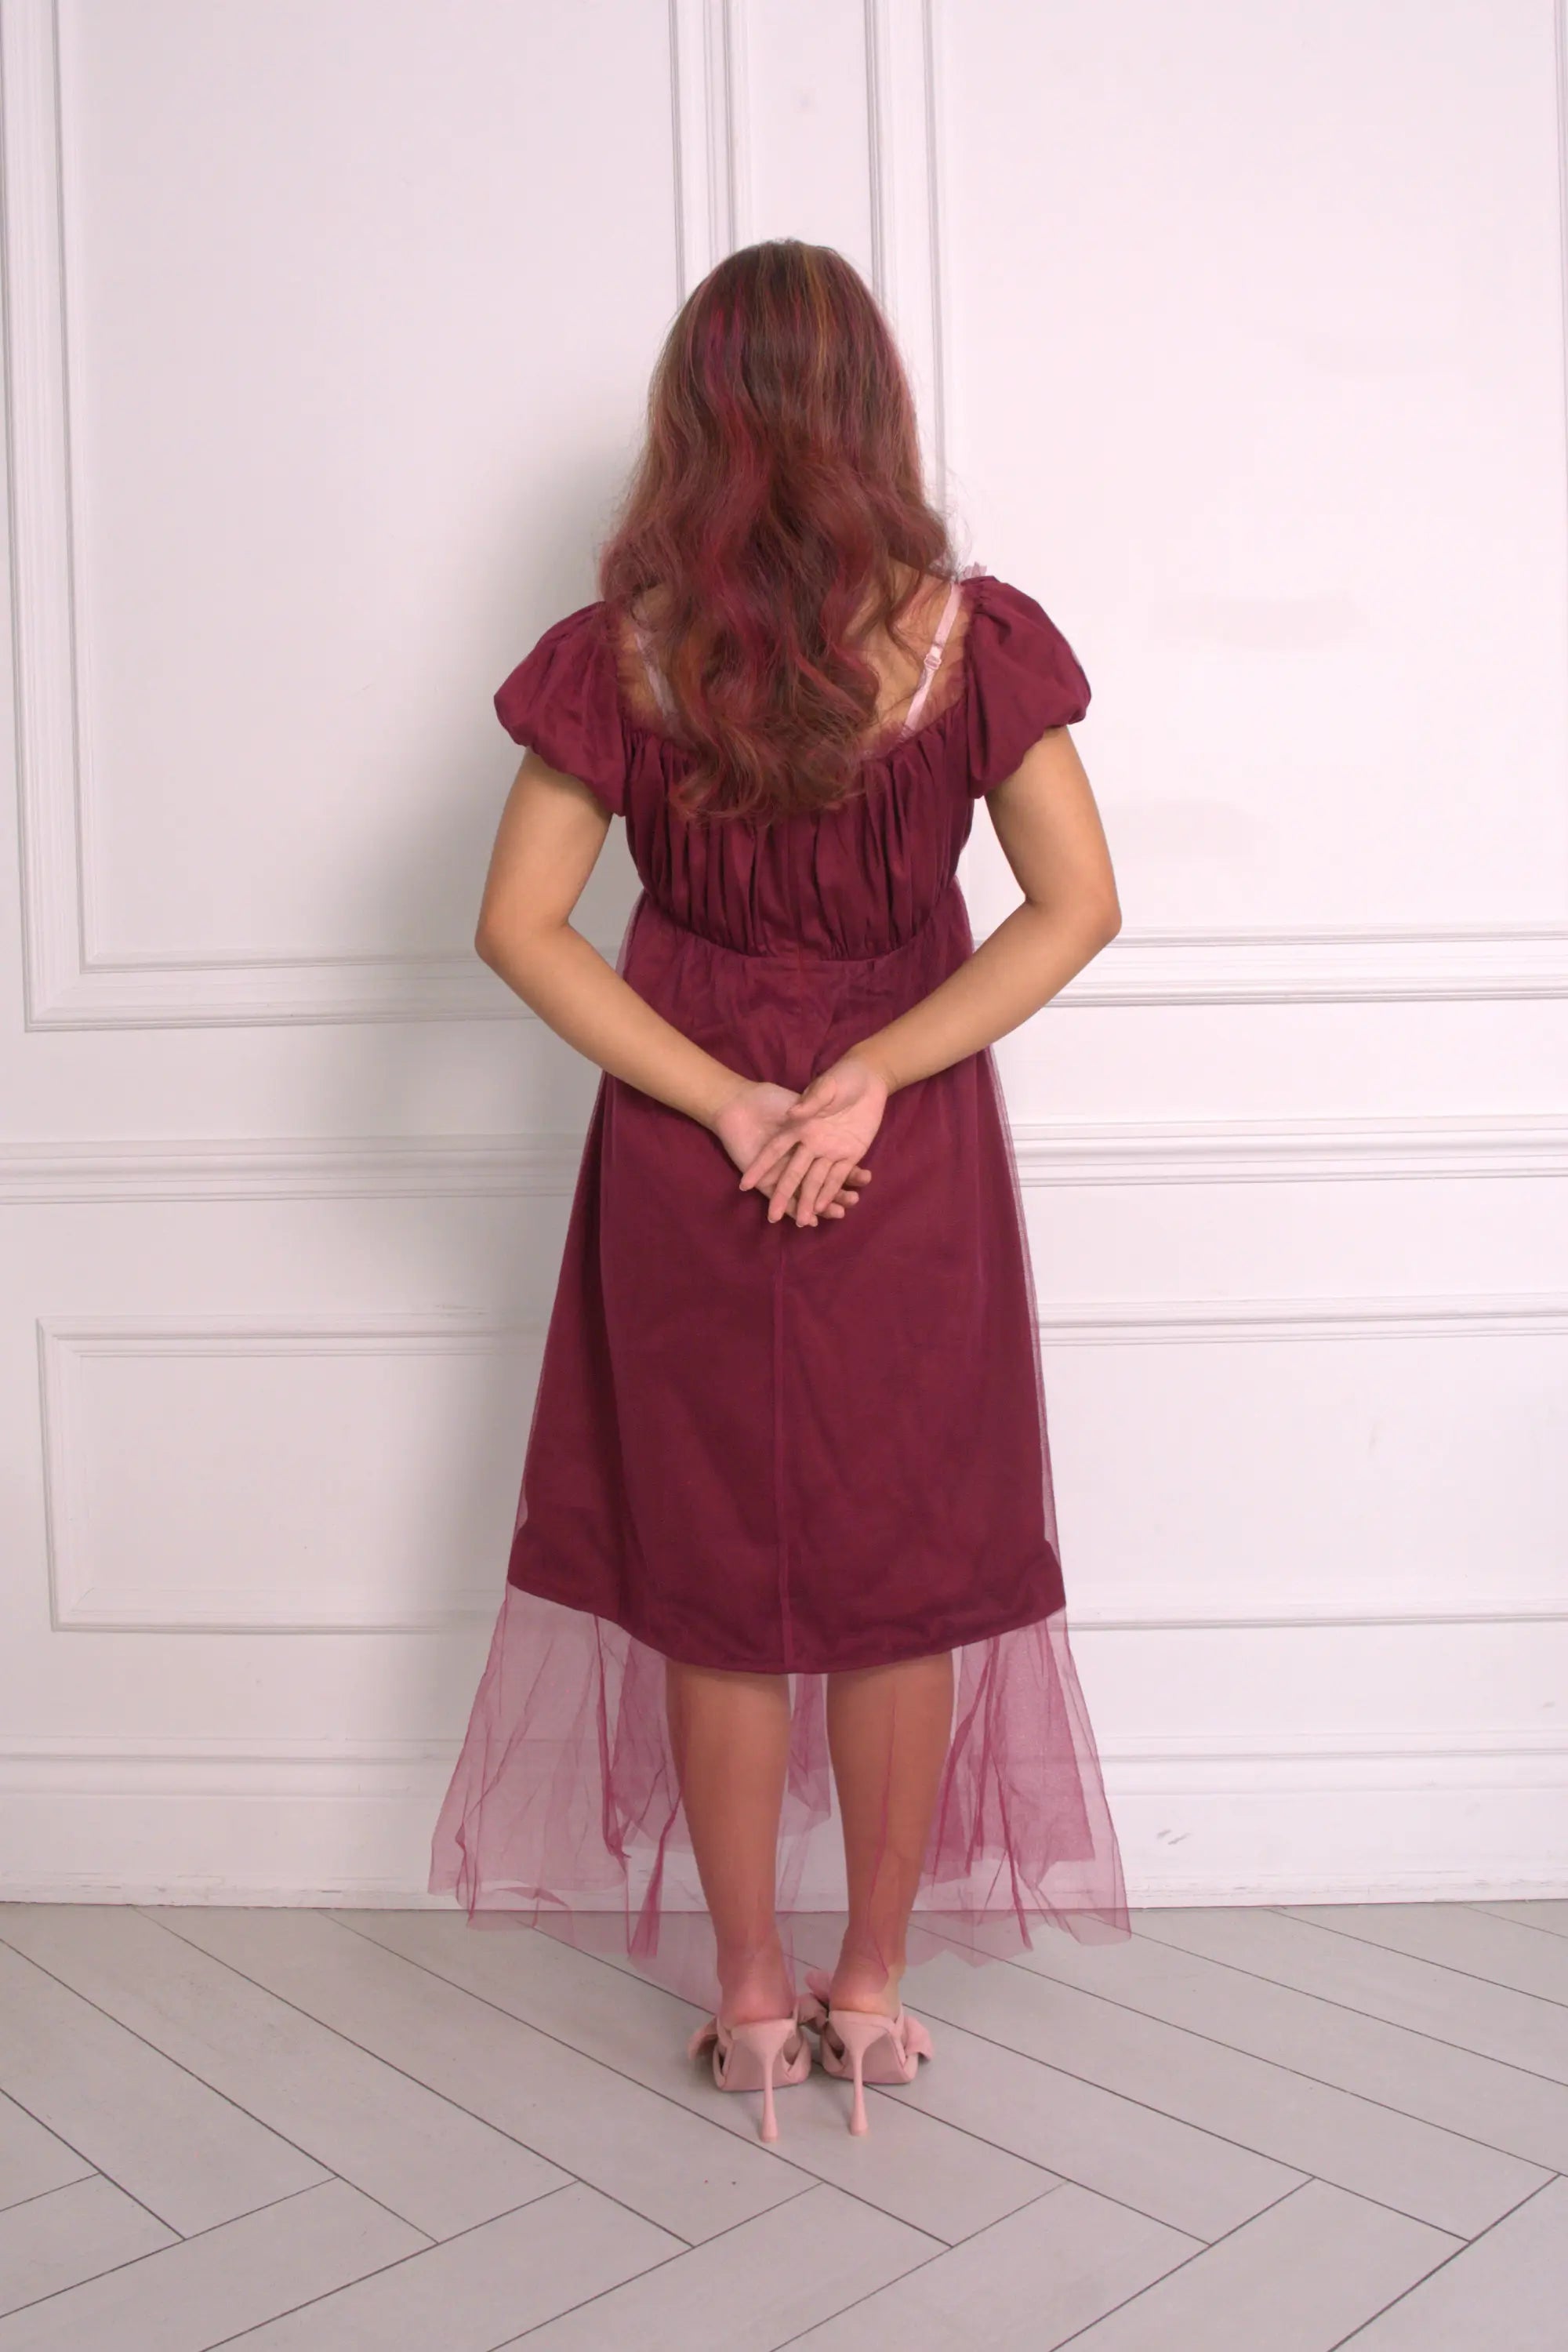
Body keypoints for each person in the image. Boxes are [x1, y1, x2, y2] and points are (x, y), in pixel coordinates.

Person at [430, 238, 1130, 2143]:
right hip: (903, 1146)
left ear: (694, 418)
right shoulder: (970, 643)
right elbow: (1078, 905)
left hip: (694, 1147)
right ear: (870, 414)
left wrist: (731, 1103)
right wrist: (876, 1070)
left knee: (717, 1581)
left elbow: (516, 927)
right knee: (905, 1575)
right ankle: (871, 2000)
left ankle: (750, 2007)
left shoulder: (625, 653)